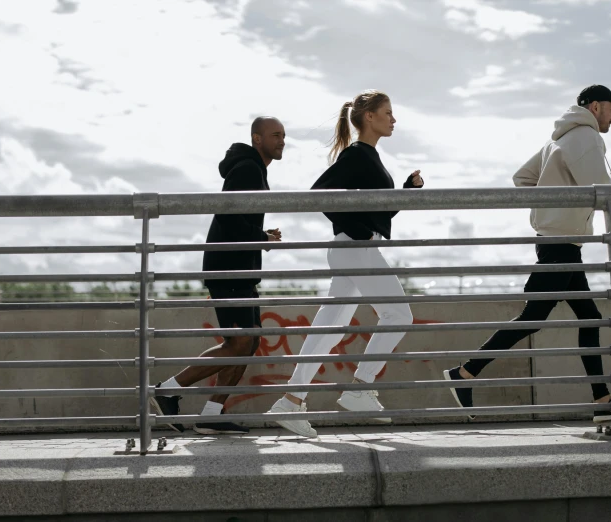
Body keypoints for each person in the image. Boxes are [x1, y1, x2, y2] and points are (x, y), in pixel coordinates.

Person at [444, 85, 611, 424]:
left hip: (559, 240)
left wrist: (551, 207)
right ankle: (465, 372)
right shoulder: (587, 137)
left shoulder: (556, 141)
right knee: (534, 317)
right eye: (610, 109)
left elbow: (523, 178)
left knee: (588, 318)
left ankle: (602, 400)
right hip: (561, 242)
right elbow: (600, 183)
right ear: (594, 106)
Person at [268, 90, 424, 438]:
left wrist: (404, 191)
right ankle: (358, 389)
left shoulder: (368, 157)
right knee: (398, 314)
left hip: (352, 248)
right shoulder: (357, 155)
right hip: (354, 249)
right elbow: (320, 194)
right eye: (388, 112)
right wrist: (356, 230)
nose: (393, 119)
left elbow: (375, 212)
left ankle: (291, 401)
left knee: (331, 326)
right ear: (369, 117)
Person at [151, 116, 285, 435]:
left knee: (247, 343)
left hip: (239, 269)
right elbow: (229, 220)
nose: (282, 140)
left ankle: (212, 413)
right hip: (229, 269)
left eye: (284, 135)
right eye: (275, 135)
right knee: (239, 341)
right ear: (257, 138)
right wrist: (262, 238)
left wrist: (260, 235)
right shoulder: (248, 169)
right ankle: (167, 390)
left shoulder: (254, 168)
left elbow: (237, 220)